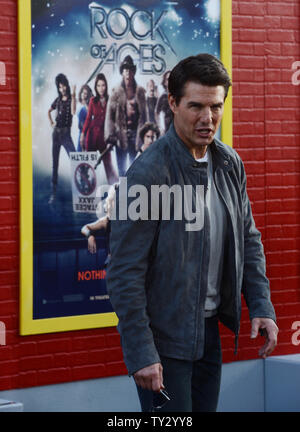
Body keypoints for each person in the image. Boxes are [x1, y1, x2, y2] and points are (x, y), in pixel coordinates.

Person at [106, 54, 278, 412]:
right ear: (172, 103)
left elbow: (248, 237)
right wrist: (140, 352)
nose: (207, 118)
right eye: (196, 106)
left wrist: (260, 304)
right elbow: (124, 271)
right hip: (165, 343)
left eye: (216, 107)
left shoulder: (229, 163)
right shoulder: (147, 174)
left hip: (209, 334)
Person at [104, 55, 146, 177]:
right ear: (122, 72)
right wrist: (110, 136)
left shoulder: (140, 92)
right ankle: (123, 195)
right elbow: (109, 116)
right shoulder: (116, 92)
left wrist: (145, 137)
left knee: (135, 170)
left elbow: (144, 116)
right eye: (125, 70)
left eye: (130, 70)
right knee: (121, 170)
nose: (128, 73)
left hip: (136, 135)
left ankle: (133, 195)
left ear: (134, 72)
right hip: (120, 136)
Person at [80, 73, 118, 185]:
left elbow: (113, 120)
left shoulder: (110, 99)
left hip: (104, 137)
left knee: (108, 165)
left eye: (103, 85)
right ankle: (87, 189)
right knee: (89, 165)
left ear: (106, 86)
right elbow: (88, 118)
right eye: (98, 86)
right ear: (95, 87)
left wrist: (112, 138)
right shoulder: (92, 100)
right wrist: (83, 134)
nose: (101, 88)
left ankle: (114, 190)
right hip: (91, 136)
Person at [48, 73, 76, 204]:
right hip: (56, 134)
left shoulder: (71, 99)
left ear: (67, 85)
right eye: (60, 87)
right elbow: (48, 111)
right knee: (55, 164)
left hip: (66, 134)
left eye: (64, 85)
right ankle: (53, 193)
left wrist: (75, 95)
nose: (62, 89)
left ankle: (81, 190)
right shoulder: (57, 100)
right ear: (58, 88)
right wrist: (51, 123)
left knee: (76, 160)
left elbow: (73, 112)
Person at [155, 70, 173, 135]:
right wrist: (160, 127)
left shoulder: (179, 96)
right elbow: (157, 112)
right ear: (165, 82)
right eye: (168, 79)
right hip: (167, 131)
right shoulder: (163, 97)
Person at [77, 84, 93, 152]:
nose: (83, 95)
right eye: (82, 93)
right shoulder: (78, 104)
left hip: (87, 132)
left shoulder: (88, 106)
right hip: (80, 131)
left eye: (85, 94)